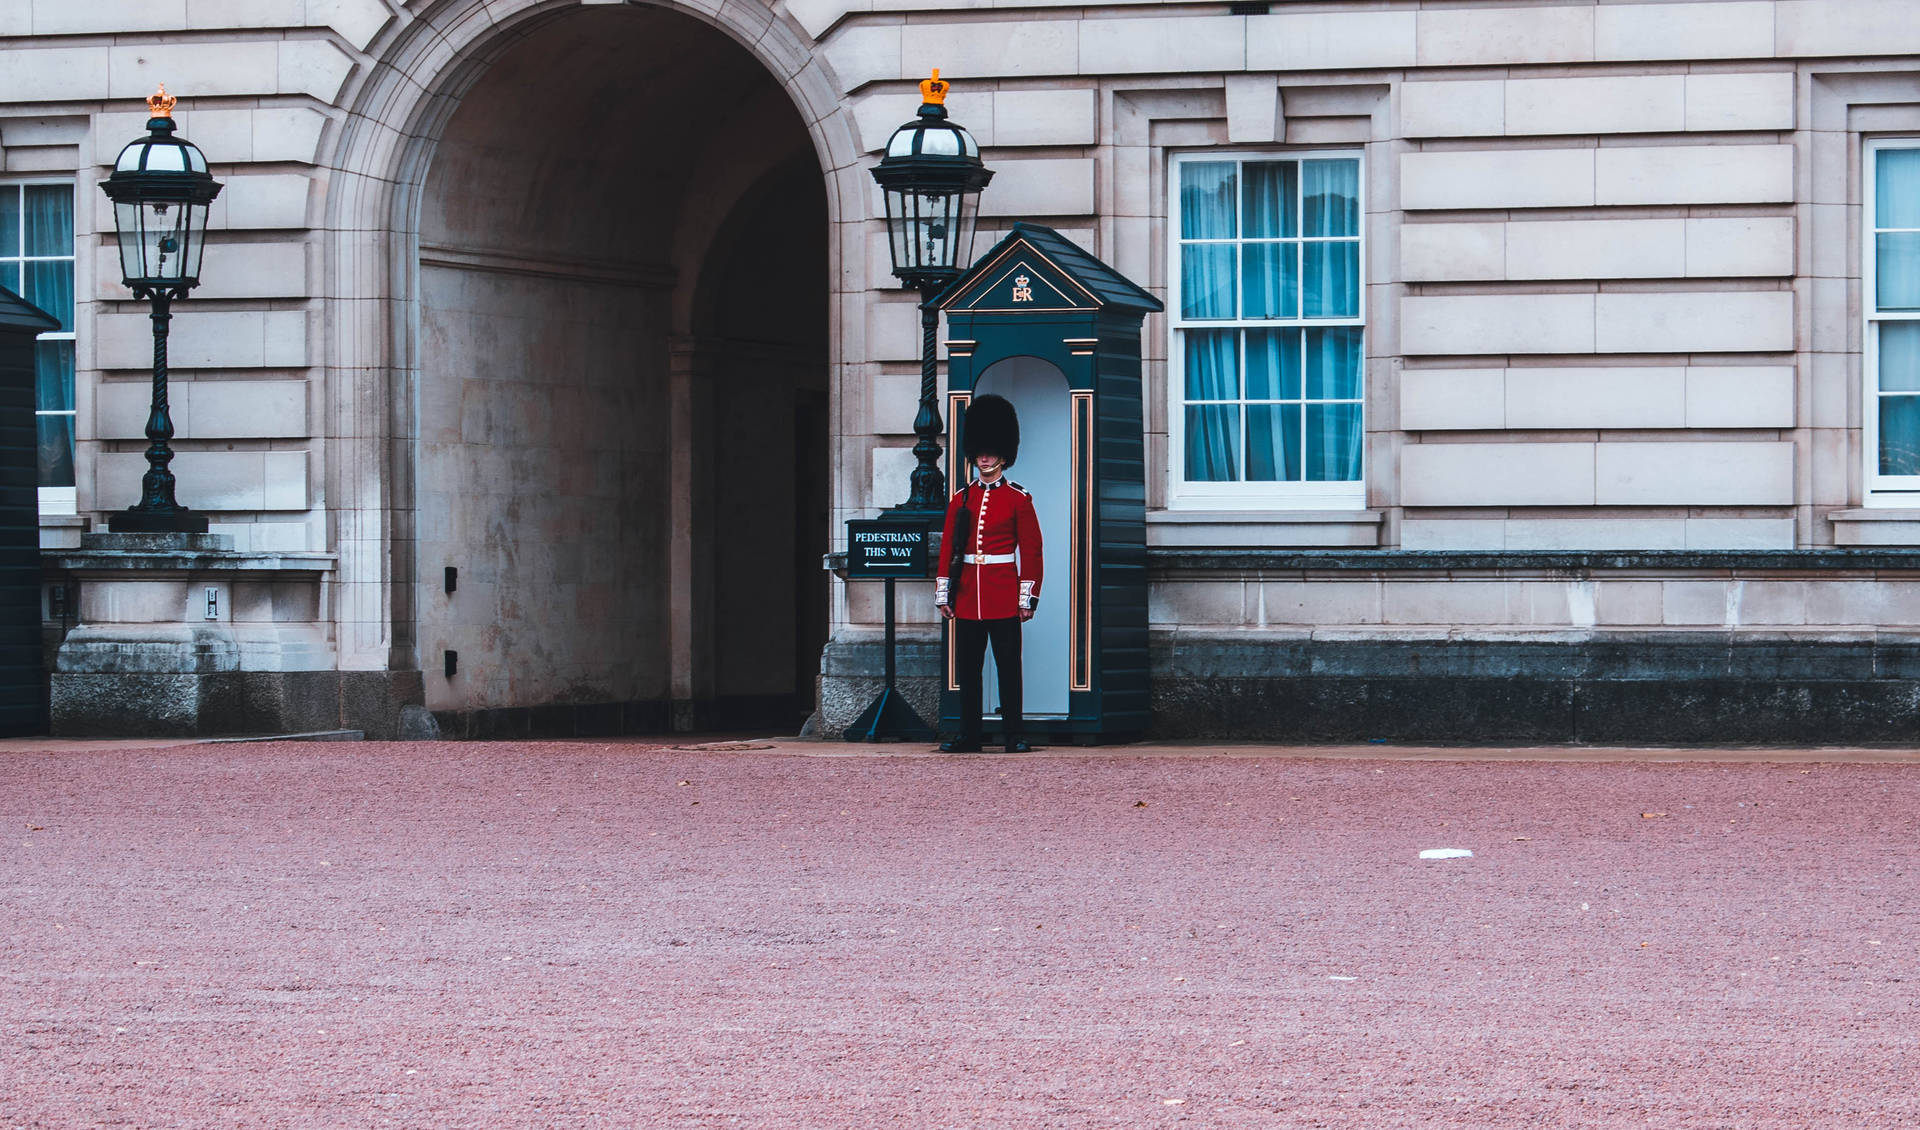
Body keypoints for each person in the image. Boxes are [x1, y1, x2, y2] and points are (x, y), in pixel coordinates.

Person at [935, 394, 1042, 753]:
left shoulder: (1018, 499)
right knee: (969, 671)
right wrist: (944, 593)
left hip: (1001, 594)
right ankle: (970, 735)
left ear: (1003, 454)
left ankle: (1015, 734)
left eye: (991, 451)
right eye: (980, 450)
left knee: (1009, 668)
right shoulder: (960, 499)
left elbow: (1031, 551)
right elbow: (949, 548)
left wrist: (1026, 597)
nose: (984, 457)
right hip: (967, 594)